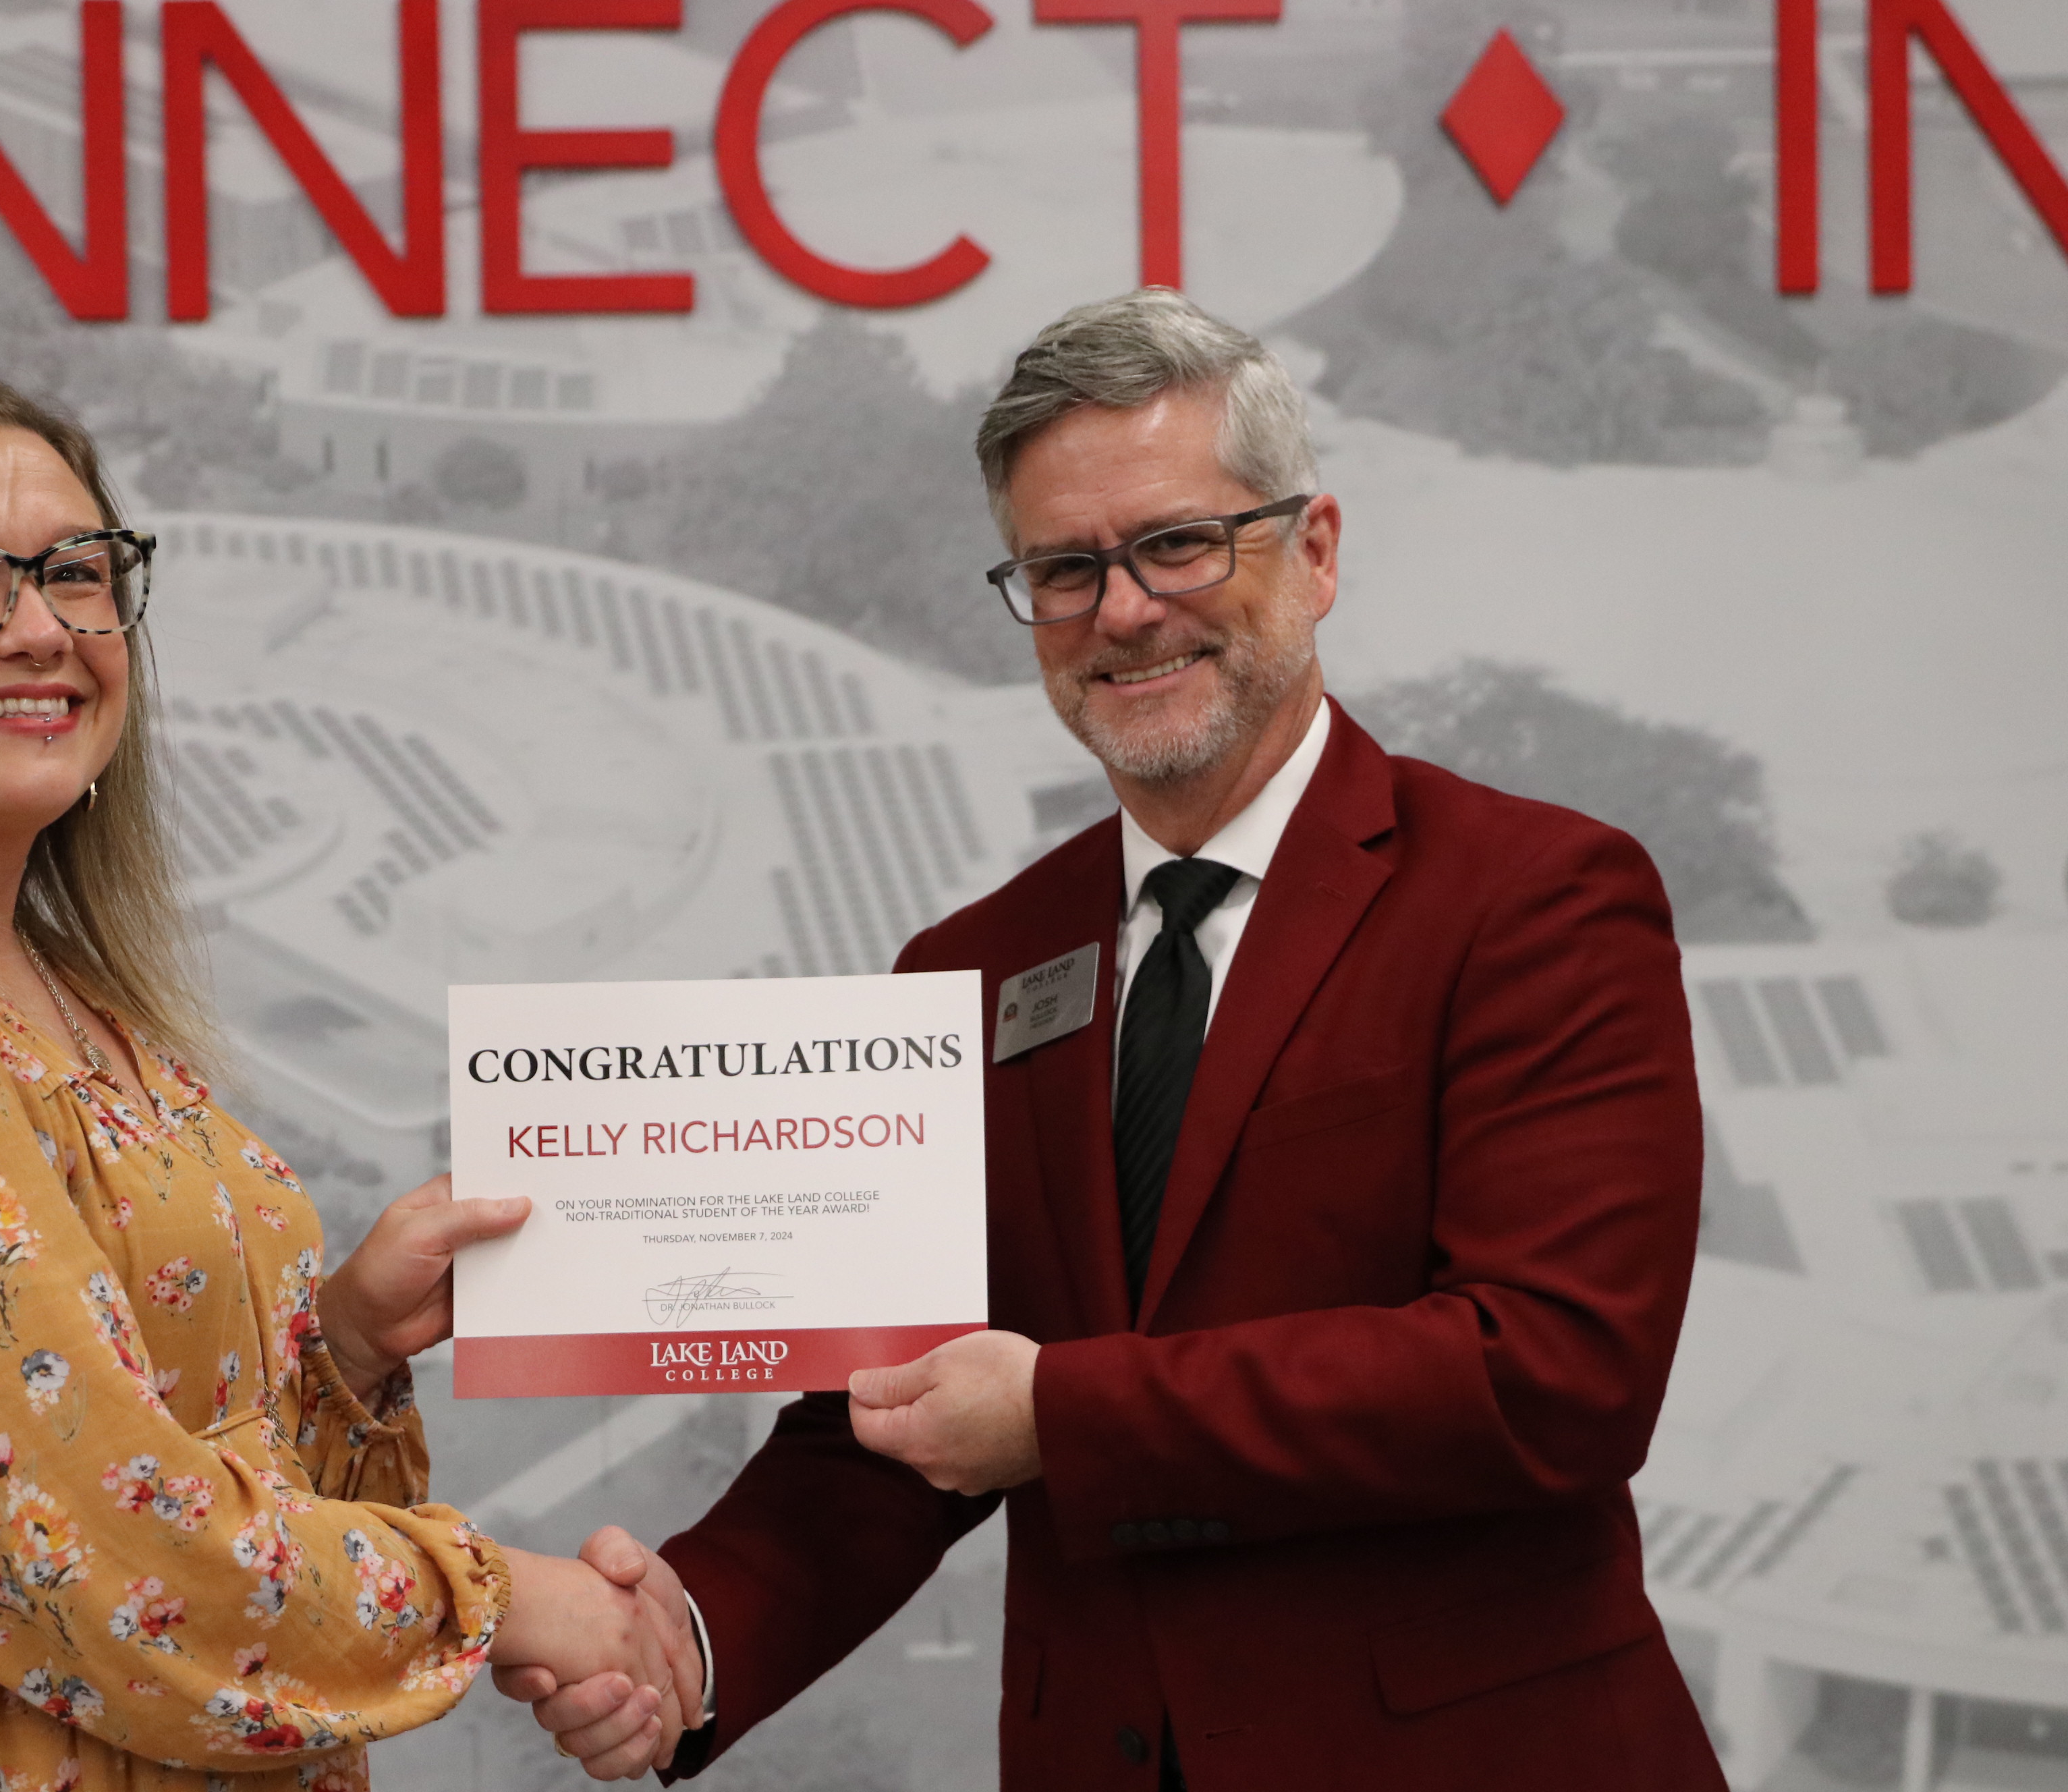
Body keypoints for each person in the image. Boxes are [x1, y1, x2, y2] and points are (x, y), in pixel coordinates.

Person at [503, 289, 1728, 1789]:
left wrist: (1062, 1414)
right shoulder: (966, 971)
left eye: (1178, 542)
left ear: (1317, 549)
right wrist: (692, 1629)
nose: (1126, 608)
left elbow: (1554, 1372)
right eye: (1065, 567)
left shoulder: (1533, 898)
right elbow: (892, 1418)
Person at [0, 364, 698, 1789]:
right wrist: (500, 1592)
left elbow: (163, 1467)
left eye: (78, 569)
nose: (40, 626)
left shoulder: (90, 1007)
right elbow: (86, 1544)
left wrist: (346, 1346)